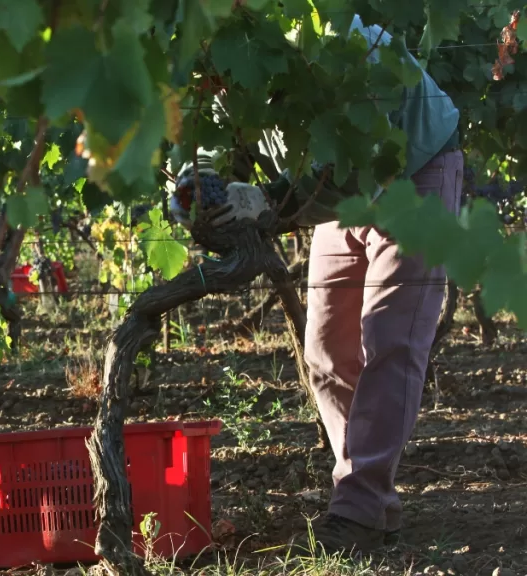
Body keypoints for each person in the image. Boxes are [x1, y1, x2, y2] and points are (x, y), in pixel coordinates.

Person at [170, 15, 461, 555]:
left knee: (391, 341)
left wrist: (270, 205)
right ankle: (366, 495)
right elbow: (211, 136)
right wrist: (197, 185)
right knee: (325, 351)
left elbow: (358, 167)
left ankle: (360, 505)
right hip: (332, 179)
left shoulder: (332, 44)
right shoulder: (235, 49)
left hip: (411, 167)